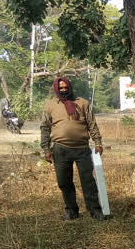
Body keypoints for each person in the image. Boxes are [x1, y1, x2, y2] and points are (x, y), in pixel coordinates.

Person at [41, 77, 105, 221]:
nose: (64, 90)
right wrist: (46, 149)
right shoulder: (50, 105)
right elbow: (45, 128)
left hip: (82, 148)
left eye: (66, 87)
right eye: (61, 88)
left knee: (88, 181)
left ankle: (95, 209)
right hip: (60, 149)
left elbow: (92, 124)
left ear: (70, 87)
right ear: (56, 90)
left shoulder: (82, 103)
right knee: (64, 181)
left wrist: (98, 142)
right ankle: (71, 210)